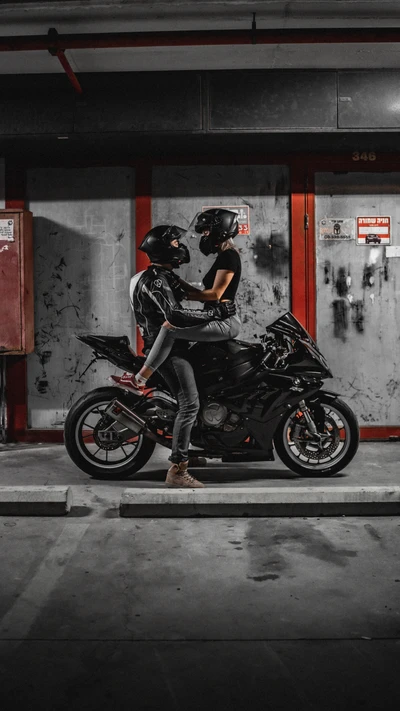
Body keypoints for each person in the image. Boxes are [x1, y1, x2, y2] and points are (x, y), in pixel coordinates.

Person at [112, 222, 237, 488]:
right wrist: (215, 313)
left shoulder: (164, 276)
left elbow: (190, 299)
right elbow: (175, 316)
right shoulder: (156, 279)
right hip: (168, 350)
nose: (181, 247)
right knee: (190, 403)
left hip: (175, 344)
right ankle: (178, 470)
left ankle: (193, 447)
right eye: (175, 243)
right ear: (164, 249)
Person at [126, 208, 242, 389]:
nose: (204, 236)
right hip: (217, 315)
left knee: (170, 328)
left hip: (224, 319)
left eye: (206, 231)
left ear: (221, 231)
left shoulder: (229, 256)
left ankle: (139, 379)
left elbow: (215, 294)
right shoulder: (223, 256)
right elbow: (199, 290)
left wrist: (183, 293)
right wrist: (175, 280)